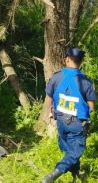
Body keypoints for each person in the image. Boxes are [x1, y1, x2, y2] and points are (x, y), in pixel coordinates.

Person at [41, 48, 96, 183]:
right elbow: (92, 107)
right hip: (77, 124)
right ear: (81, 61)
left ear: (67, 59)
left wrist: (48, 113)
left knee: (70, 150)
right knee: (74, 152)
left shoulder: (56, 76)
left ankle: (76, 175)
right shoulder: (86, 81)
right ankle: (52, 175)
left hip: (60, 121)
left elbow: (48, 99)